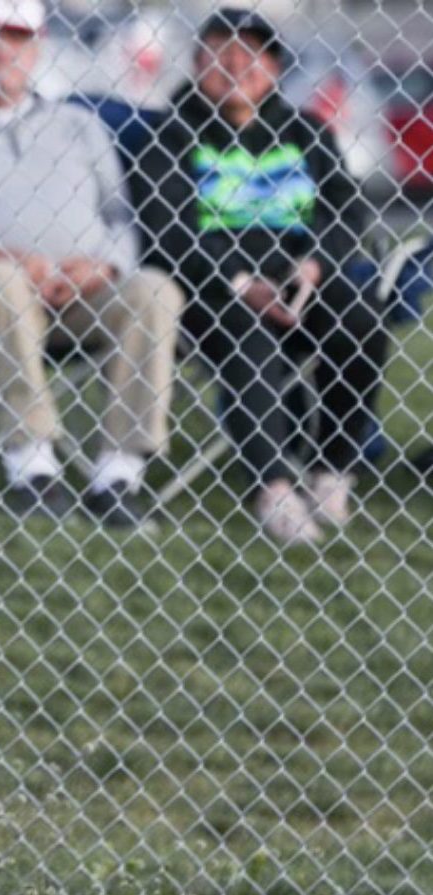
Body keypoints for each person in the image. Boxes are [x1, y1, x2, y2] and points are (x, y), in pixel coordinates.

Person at [135, 8, 388, 544]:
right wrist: (239, 281)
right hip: (213, 290)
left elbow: (346, 207)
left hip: (304, 278)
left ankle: (331, 468)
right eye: (220, 53)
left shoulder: (305, 132)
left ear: (274, 67)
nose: (235, 65)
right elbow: (167, 230)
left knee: (362, 314)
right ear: (197, 62)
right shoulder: (168, 135)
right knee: (246, 334)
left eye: (250, 54)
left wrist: (316, 260)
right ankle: (272, 488)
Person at [0, 0, 183, 527]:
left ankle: (118, 474)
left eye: (17, 38)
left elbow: (120, 218)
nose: (2, 50)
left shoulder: (78, 124)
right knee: (2, 282)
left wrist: (104, 268)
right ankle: (33, 464)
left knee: (153, 290)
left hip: (79, 291)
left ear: (38, 48)